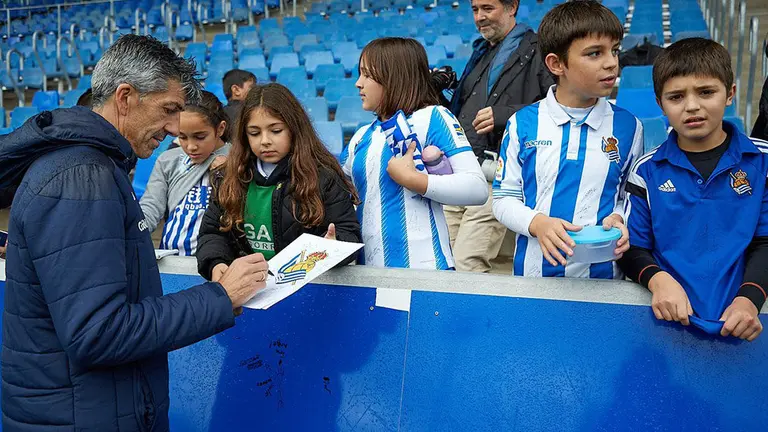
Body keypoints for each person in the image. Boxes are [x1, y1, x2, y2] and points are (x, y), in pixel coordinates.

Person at [0, 35, 268, 430]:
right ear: (125, 97)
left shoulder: (91, 167)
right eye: (169, 110)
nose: (175, 128)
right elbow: (98, 332)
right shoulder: (81, 177)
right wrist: (221, 298)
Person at [619, 38, 767, 341]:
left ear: (730, 94)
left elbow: (766, 242)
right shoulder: (646, 171)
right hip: (665, 326)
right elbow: (632, 248)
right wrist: (658, 281)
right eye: (676, 97)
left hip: (743, 323)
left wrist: (749, 298)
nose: (692, 106)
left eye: (706, 92)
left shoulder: (763, 162)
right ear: (660, 104)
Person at [492, 0, 644, 279]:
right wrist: (537, 223)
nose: (611, 62)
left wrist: (620, 218)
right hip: (534, 279)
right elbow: (503, 199)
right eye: (595, 53)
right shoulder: (522, 124)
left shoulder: (629, 127)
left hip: (605, 280)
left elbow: (629, 196)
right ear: (556, 63)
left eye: (614, 51)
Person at [344, 37, 488, 270]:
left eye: (367, 75)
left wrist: (414, 180)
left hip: (427, 273)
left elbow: (477, 188)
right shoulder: (361, 137)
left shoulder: (433, 117)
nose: (358, 83)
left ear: (394, 77)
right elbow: (338, 191)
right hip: (367, 275)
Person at [197, 83, 361, 282]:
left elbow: (349, 234)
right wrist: (216, 262)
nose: (265, 141)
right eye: (254, 133)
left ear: (294, 129)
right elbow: (212, 233)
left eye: (275, 131)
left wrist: (334, 247)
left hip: (307, 289)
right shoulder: (228, 178)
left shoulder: (323, 178)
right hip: (250, 291)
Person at [440, 0, 554, 273]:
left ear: (512, 7)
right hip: (462, 172)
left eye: (487, 8)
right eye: (475, 10)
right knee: (445, 262)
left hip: (498, 174)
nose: (479, 17)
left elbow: (558, 105)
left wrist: (504, 114)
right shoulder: (480, 52)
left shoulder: (537, 49)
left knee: (467, 263)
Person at [140, 90, 231, 256]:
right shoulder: (168, 160)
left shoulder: (237, 161)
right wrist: (132, 230)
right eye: (182, 137)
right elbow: (151, 206)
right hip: (170, 259)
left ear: (220, 129)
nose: (191, 146)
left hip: (216, 263)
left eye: (200, 137)